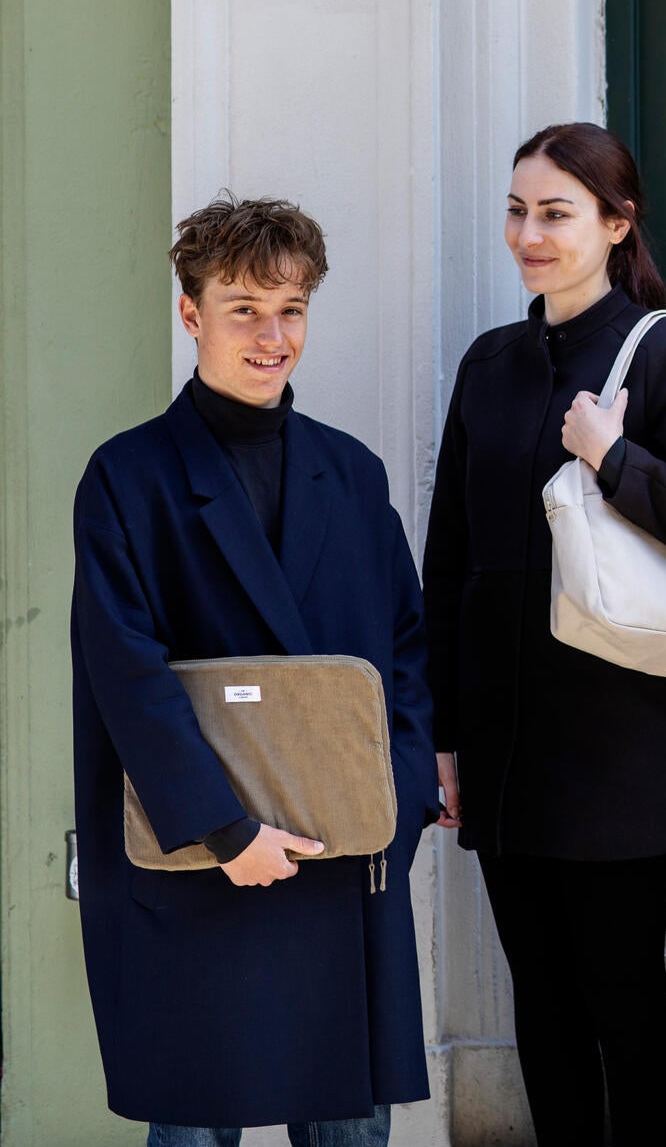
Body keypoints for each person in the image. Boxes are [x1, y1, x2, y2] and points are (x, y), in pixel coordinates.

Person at [70, 193, 436, 1144]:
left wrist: (395, 808)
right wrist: (228, 833)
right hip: (201, 867)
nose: (273, 336)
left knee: (349, 1129)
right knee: (196, 1125)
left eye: (293, 309)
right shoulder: (128, 477)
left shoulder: (352, 475)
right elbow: (128, 679)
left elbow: (403, 653)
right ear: (191, 313)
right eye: (245, 309)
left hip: (339, 856)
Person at [422, 122, 666, 1144]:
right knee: (540, 991)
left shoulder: (654, 354)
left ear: (616, 224)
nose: (530, 233)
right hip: (502, 738)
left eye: (556, 212)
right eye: (519, 210)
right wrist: (445, 733)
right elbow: (448, 559)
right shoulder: (488, 363)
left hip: (617, 735)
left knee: (618, 990)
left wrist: (614, 456)